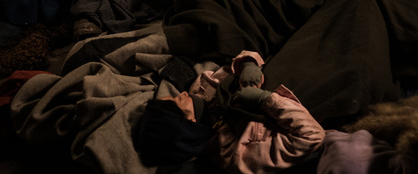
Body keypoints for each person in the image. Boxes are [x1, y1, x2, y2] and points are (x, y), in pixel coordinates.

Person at [136, 50, 327, 173]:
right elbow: (312, 136)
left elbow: (241, 57)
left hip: (289, 56)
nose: (184, 92)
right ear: (189, 122)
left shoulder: (202, 88)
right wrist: (266, 99)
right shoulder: (235, 155)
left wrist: (247, 63)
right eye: (179, 100)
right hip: (308, 91)